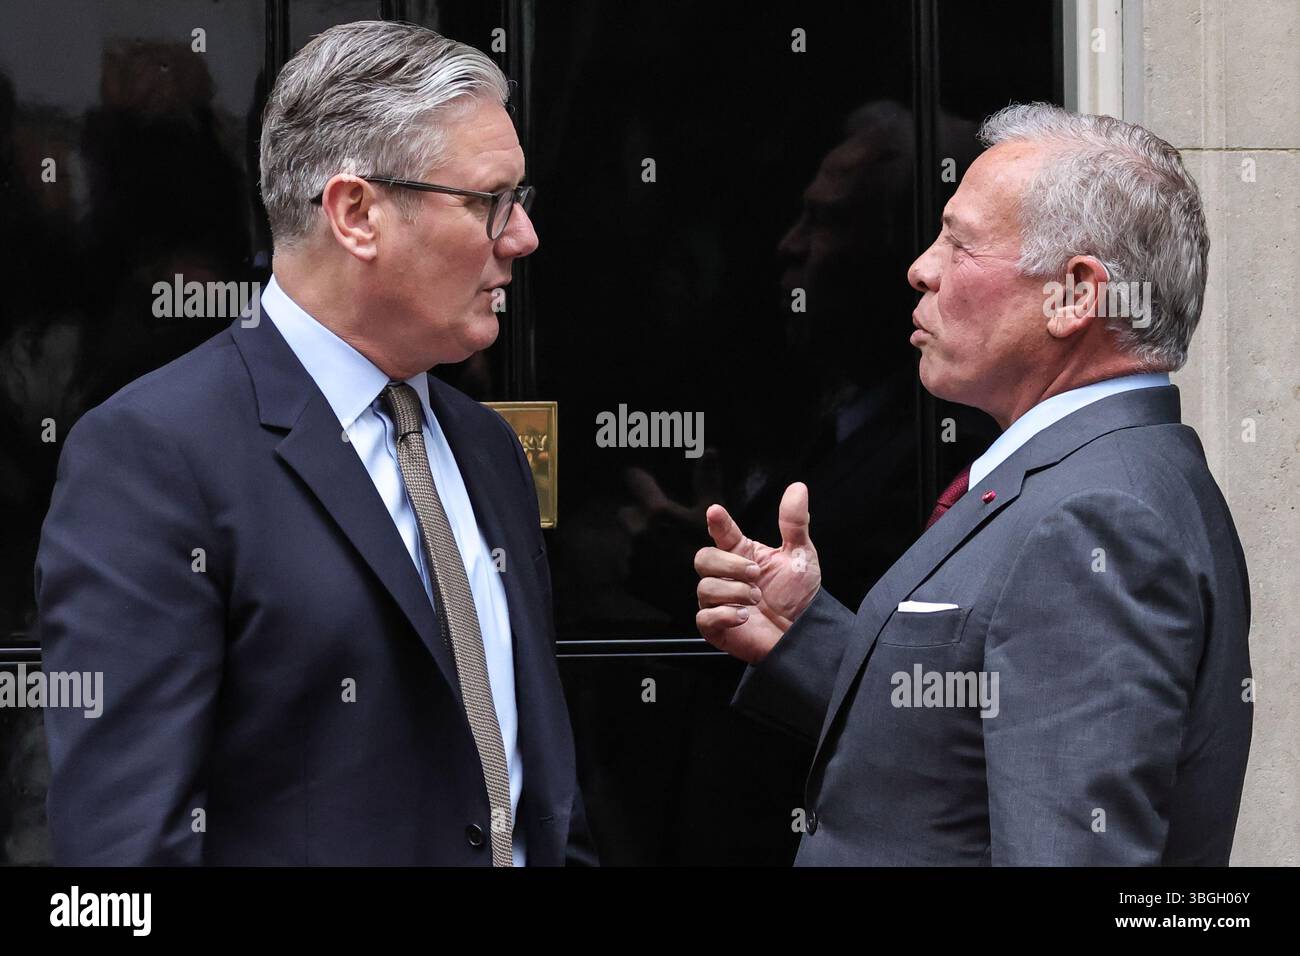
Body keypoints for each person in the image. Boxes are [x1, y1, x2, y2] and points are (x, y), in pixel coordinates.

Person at [36, 20, 595, 866]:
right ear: (357, 213)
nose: (522, 239)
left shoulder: (486, 448)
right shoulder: (152, 458)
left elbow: (533, 786)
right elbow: (126, 853)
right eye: (490, 202)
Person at [694, 103, 1252, 865]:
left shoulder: (1096, 518)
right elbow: (980, 745)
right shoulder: (1099, 477)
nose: (921, 266)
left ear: (1076, 294)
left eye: (960, 243)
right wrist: (810, 639)